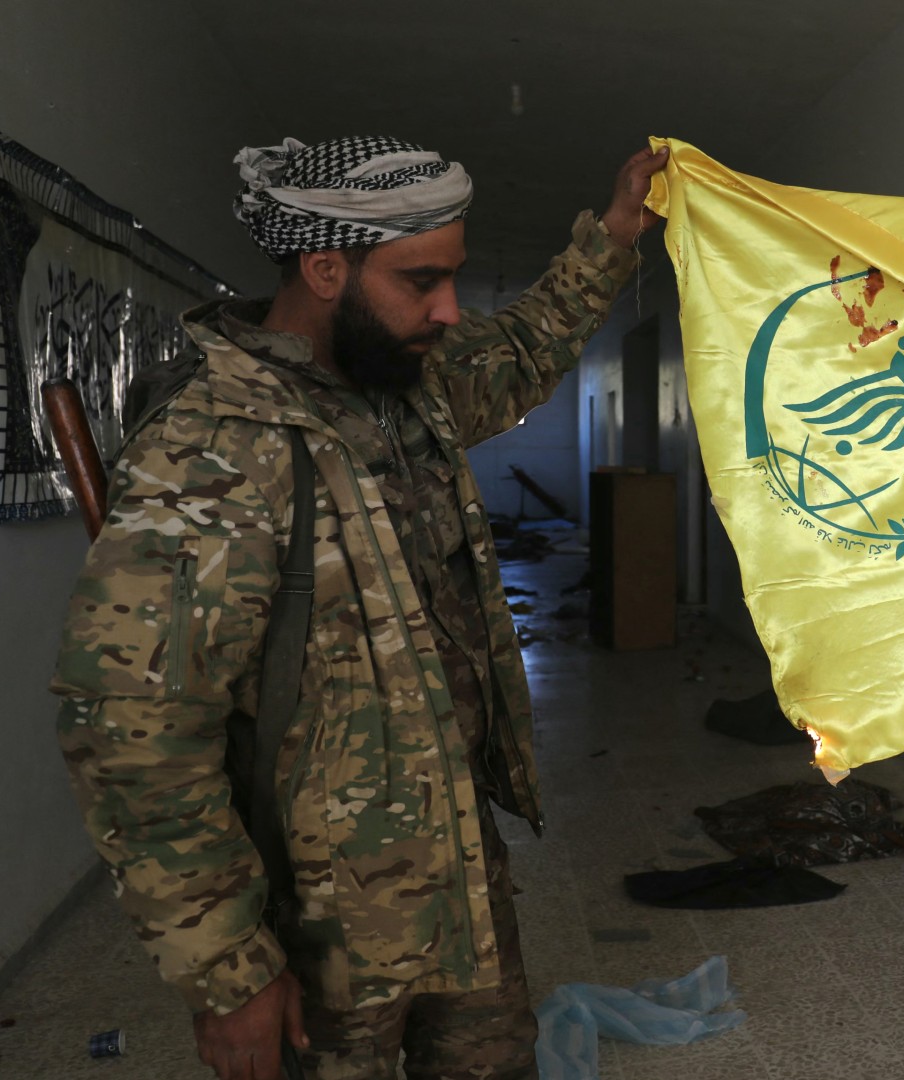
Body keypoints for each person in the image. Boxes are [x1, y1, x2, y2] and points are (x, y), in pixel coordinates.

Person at [51, 135, 667, 1080]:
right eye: (422, 280)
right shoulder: (214, 449)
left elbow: (524, 344)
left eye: (451, 277)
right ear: (325, 268)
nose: (448, 309)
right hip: (322, 921)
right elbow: (136, 726)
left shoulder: (408, 385)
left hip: (458, 866)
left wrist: (616, 234)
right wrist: (227, 972)